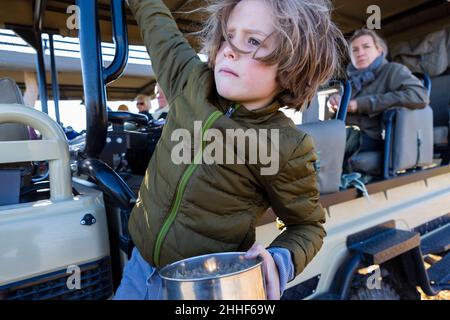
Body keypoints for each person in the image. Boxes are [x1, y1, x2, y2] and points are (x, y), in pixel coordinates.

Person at [115, 0, 345, 300]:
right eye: (228, 35)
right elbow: (157, 23)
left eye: (252, 41)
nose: (229, 50)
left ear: (292, 64)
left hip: (204, 288)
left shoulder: (285, 146)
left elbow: (308, 225)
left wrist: (280, 260)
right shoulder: (190, 80)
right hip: (139, 267)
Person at [327, 29, 429, 172]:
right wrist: (336, 102)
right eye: (354, 50)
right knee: (315, 137)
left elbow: (420, 96)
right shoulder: (350, 82)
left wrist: (362, 104)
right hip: (347, 133)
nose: (360, 53)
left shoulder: (392, 70)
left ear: (379, 50)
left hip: (374, 136)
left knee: (324, 143)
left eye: (366, 47)